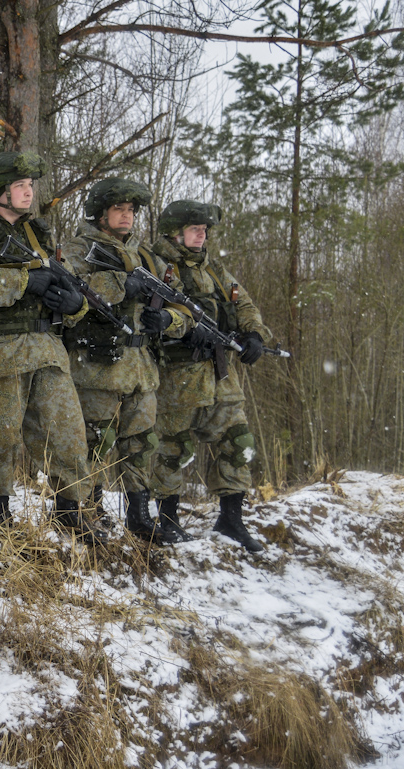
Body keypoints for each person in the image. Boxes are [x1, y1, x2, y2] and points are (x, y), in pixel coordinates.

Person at [0, 152, 102, 542]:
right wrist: (22, 282)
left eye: (30, 185)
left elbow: (67, 281)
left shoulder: (38, 233)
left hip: (47, 349)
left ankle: (70, 512)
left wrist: (75, 306)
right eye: (20, 185)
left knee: (67, 435)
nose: (28, 192)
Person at [61, 178, 195, 545]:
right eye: (119, 209)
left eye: (132, 210)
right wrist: (121, 286)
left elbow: (182, 306)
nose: (127, 216)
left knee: (142, 444)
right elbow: (70, 291)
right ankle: (86, 511)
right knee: (93, 444)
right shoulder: (78, 248)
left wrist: (170, 321)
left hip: (141, 368)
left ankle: (138, 513)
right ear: (100, 212)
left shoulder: (147, 256)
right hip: (96, 367)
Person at [149, 201, 276, 553]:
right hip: (175, 378)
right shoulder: (158, 267)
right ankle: (168, 521)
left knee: (239, 442)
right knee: (172, 450)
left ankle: (231, 520)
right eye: (194, 228)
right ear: (174, 233)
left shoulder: (215, 270)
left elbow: (245, 306)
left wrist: (254, 336)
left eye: (204, 229)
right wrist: (182, 328)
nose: (202, 234)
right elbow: (150, 316)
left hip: (220, 375)